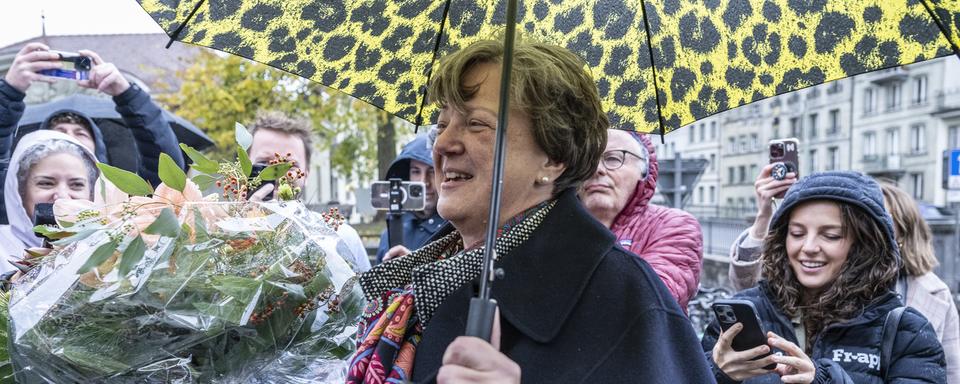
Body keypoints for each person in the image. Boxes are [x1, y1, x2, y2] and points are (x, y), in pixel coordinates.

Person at [346, 39, 712, 383]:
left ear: (553, 158)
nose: (443, 144)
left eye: (476, 124)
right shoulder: (414, 277)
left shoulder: (626, 299)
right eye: (441, 125)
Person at [703, 171, 946, 383]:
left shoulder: (906, 331)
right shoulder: (745, 315)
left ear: (865, 244)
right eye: (797, 233)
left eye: (830, 236)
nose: (808, 247)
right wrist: (717, 373)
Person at [0, 43, 184, 222]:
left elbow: (164, 170)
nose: (62, 196)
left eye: (80, 134)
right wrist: (9, 91)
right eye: (46, 182)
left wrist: (126, 93)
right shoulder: (9, 216)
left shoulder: (123, 213)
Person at [580, 129, 703, 310]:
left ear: (644, 171)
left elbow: (650, 301)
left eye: (613, 158)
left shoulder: (674, 226)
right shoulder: (550, 226)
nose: (596, 169)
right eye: (585, 160)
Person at [245, 110, 370, 273]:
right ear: (244, 170)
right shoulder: (222, 237)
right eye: (264, 163)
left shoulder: (342, 238)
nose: (278, 172)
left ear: (306, 174)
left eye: (291, 165)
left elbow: (365, 297)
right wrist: (243, 229)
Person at [879, 181, 959, 383]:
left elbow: (953, 371)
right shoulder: (832, 282)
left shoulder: (936, 292)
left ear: (904, 231)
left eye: (884, 219)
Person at [0, 130, 98, 275]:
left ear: (92, 194)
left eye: (77, 185)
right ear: (20, 191)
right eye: (46, 183)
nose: (62, 197)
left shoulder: (111, 247)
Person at [375, 134, 446, 263]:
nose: (424, 182)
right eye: (416, 172)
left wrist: (412, 268)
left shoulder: (455, 232)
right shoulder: (391, 231)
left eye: (432, 171)